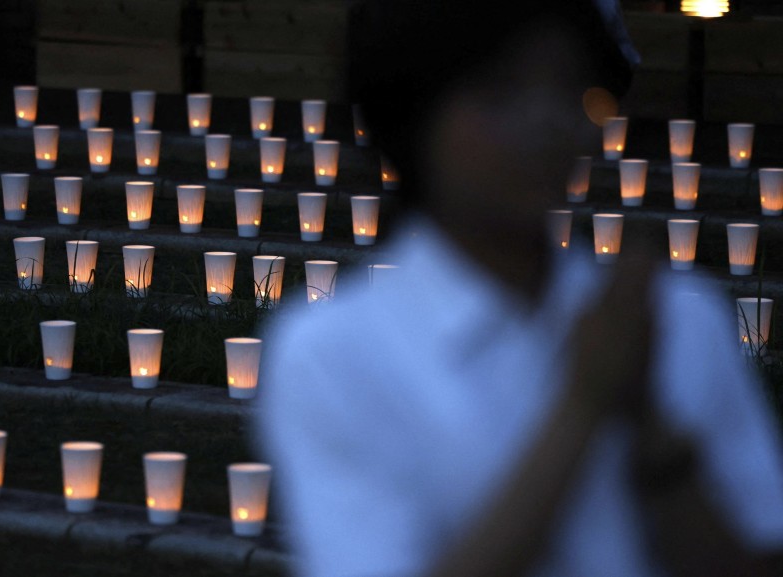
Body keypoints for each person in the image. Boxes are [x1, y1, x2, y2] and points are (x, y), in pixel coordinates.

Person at [256, 2, 783, 577]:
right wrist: (584, 403)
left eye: (570, 91)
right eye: (499, 92)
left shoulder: (677, 316)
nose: (546, 123)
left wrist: (652, 429)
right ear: (412, 113)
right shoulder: (338, 352)